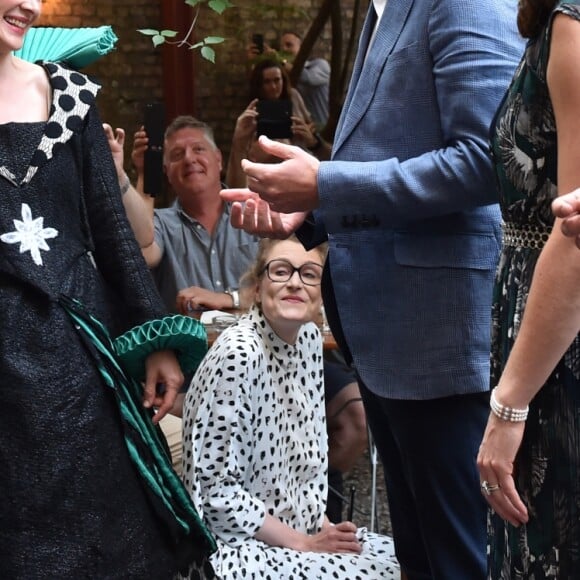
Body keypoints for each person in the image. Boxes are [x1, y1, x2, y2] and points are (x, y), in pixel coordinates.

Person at [220, 1, 524, 577]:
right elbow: (390, 159)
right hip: (385, 342)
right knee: (421, 558)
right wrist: (308, 213)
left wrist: (326, 181)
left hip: (441, 340)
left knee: (460, 559)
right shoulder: (382, 9)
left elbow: (490, 159)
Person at [0, 1, 213, 577]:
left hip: (77, 361)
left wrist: (155, 340)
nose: (29, 5)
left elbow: (114, 232)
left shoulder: (70, 96)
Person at [105, 119, 367, 500]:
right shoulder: (159, 223)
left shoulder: (258, 209)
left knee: (355, 417)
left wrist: (229, 297)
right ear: (166, 172)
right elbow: (144, 251)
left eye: (198, 149)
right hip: (202, 370)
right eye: (176, 155)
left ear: (217, 157)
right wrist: (124, 178)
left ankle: (308, 502)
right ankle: (242, 517)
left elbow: (304, 275)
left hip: (282, 354)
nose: (189, 159)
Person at [179, 236, 399, 579]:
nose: (295, 281)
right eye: (280, 271)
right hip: (234, 548)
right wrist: (304, 543)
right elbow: (216, 495)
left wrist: (322, 527)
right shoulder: (239, 353)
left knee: (413, 562)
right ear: (256, 288)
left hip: (292, 535)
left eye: (310, 274)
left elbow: (304, 460)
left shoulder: (308, 341)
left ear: (323, 293)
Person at [476, 2, 580, 577]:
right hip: (539, 327)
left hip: (557, 345)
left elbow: (575, 235)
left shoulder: (572, 20)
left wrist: (509, 405)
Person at [226, 59, 330, 189]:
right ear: (259, 85)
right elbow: (245, 156)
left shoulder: (293, 96)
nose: (274, 87)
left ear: (283, 80)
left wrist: (309, 136)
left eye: (277, 80)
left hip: (300, 169)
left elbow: (310, 125)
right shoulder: (252, 110)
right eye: (267, 82)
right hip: (267, 174)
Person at [279, 30, 330, 128]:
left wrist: (281, 62)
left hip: (322, 128)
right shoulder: (282, 74)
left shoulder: (320, 65)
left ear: (301, 48)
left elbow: (309, 78)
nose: (284, 50)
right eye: (281, 47)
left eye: (289, 45)